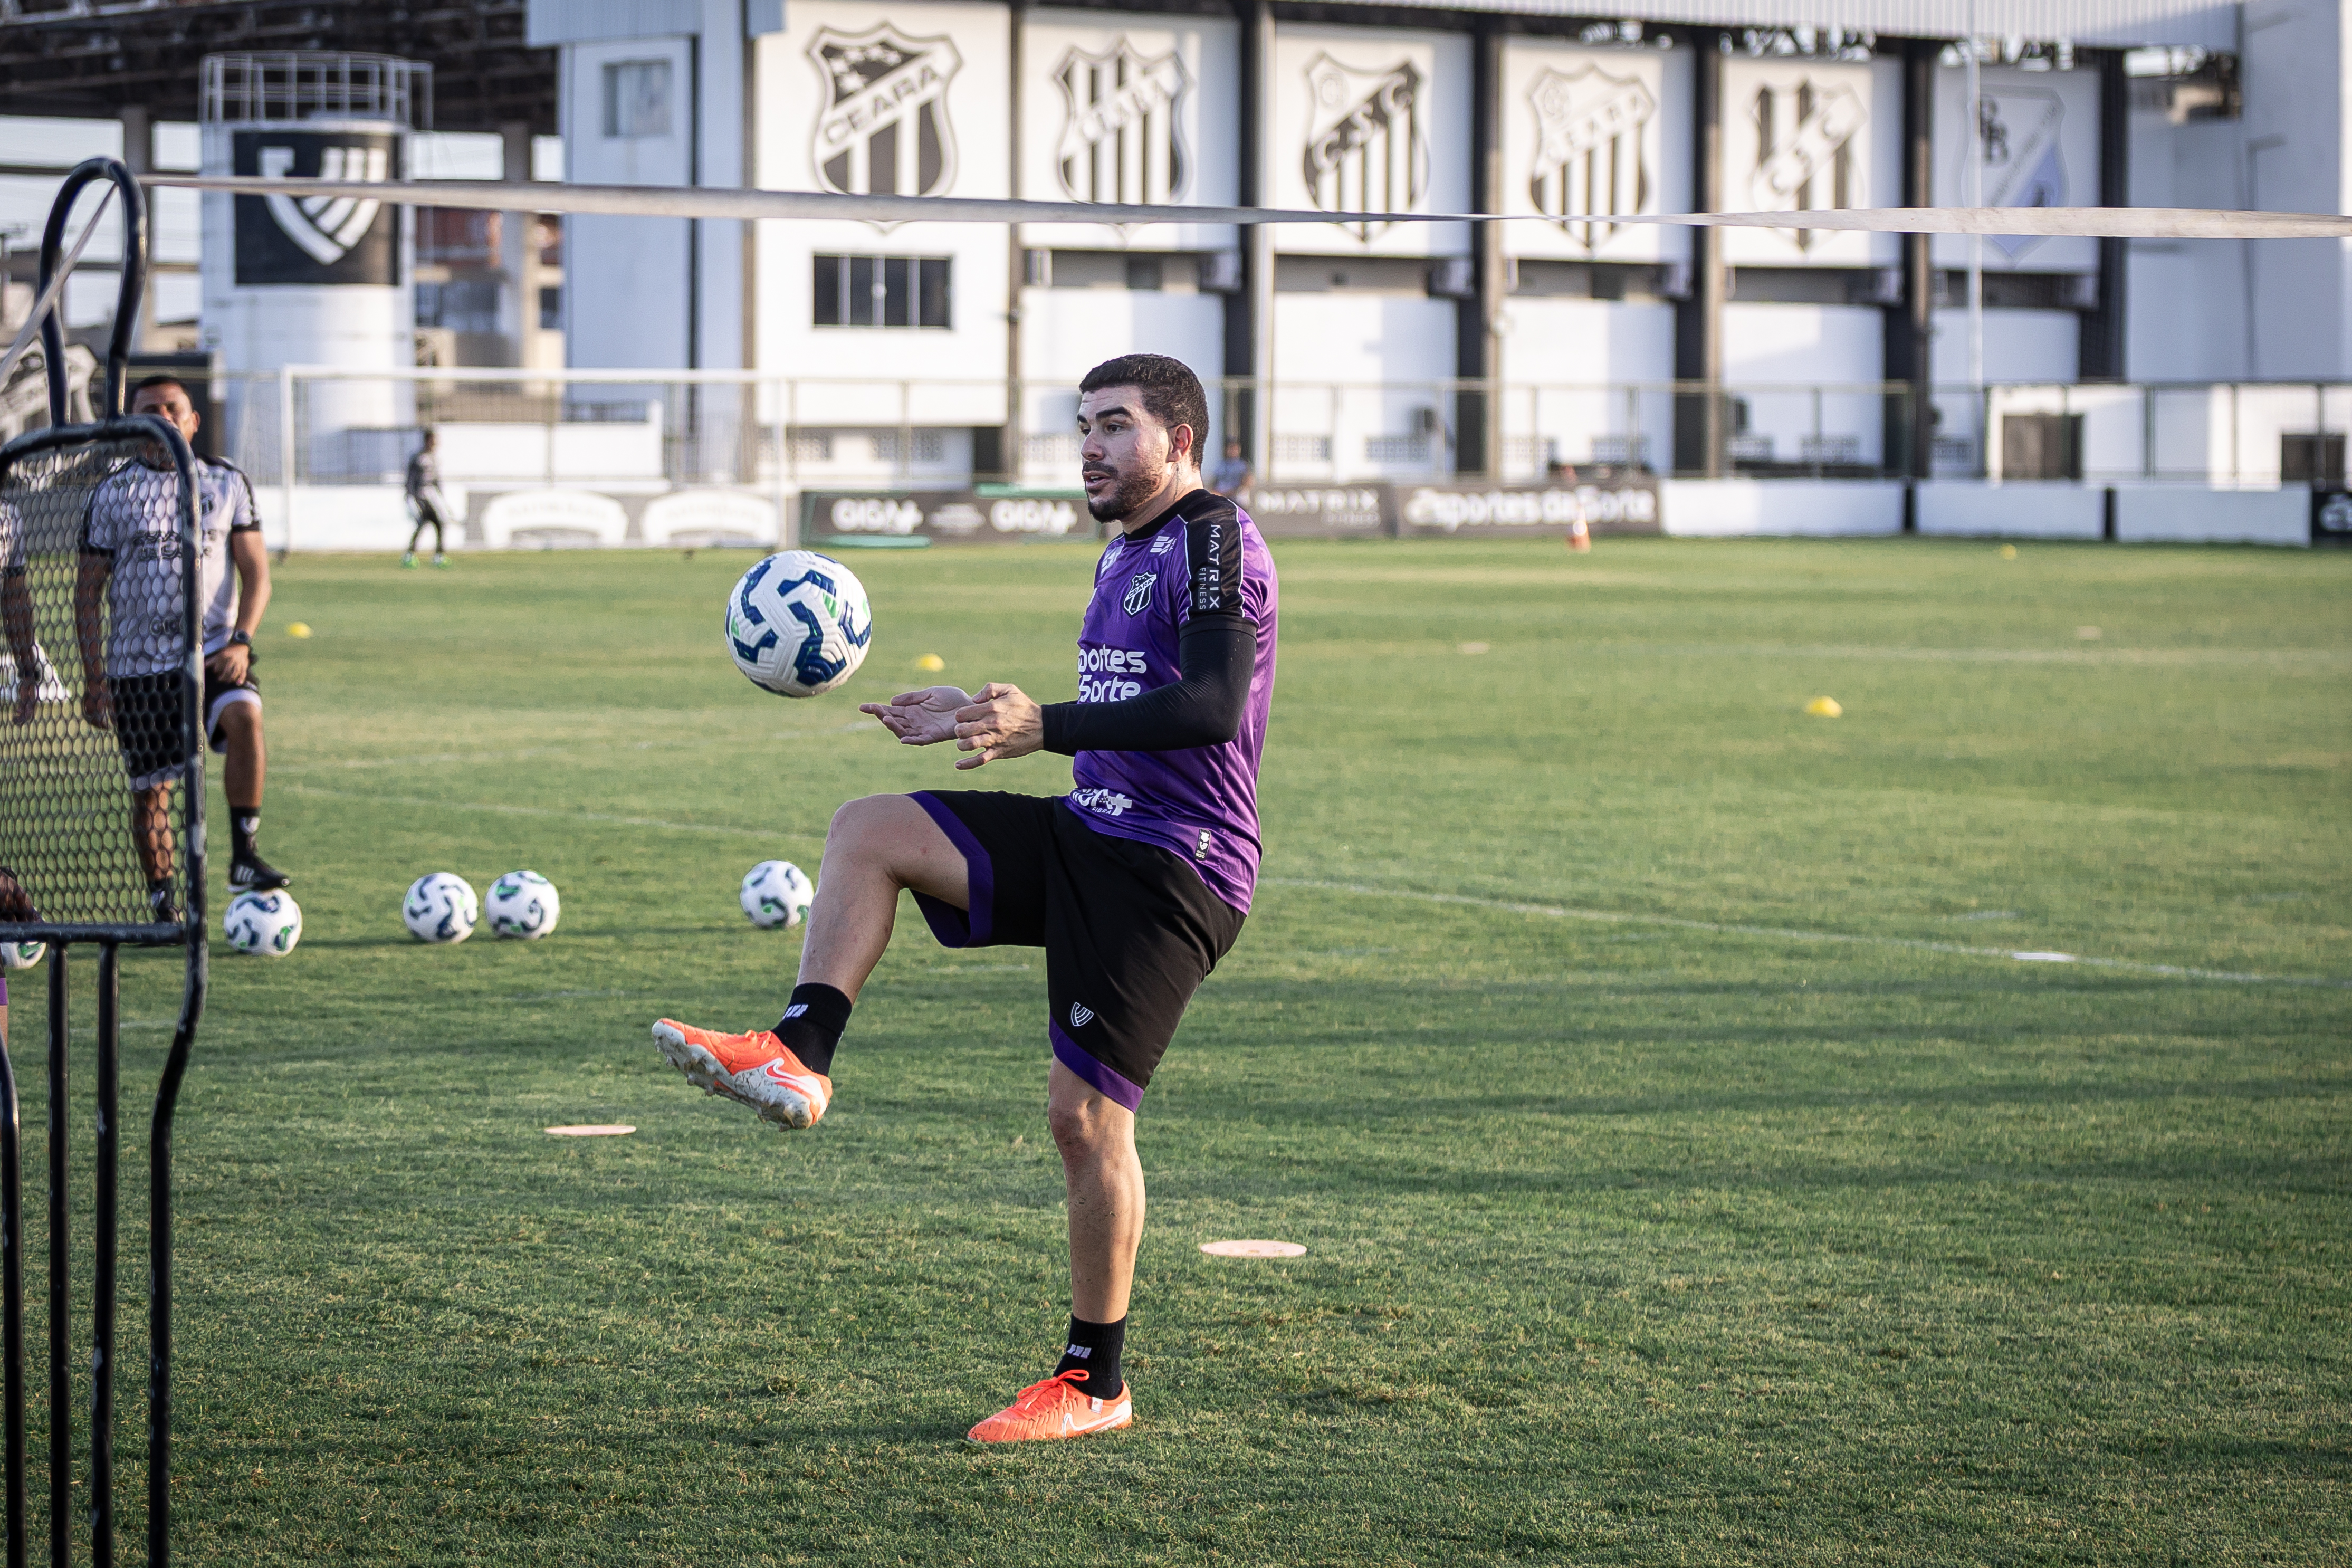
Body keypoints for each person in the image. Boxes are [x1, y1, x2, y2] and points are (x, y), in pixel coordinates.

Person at [649, 353, 1279, 1445]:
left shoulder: (1213, 536)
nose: (1090, 443)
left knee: (1084, 1122)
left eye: (1117, 425)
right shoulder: (1125, 550)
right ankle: (800, 1051)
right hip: (1093, 828)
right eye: (1083, 424)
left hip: (1179, 865)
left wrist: (1047, 726)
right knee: (869, 829)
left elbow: (1212, 705)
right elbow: (1119, 703)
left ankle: (1094, 1383)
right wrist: (969, 715)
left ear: (1180, 441)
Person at [76, 375, 288, 920]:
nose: (164, 417)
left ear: (192, 421)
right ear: (131, 424)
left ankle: (245, 854)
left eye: (174, 408)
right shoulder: (111, 493)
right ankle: (164, 900)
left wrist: (243, 639)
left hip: (215, 649)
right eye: (150, 410)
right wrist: (95, 678)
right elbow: (86, 593)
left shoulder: (226, 482)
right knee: (154, 792)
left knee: (246, 718)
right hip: (137, 665)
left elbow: (257, 572)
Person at [403, 428, 452, 569]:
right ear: (428, 441)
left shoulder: (434, 458)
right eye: (434, 440)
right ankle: (418, 555)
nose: (436, 443)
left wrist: (441, 496)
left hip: (429, 497)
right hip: (420, 497)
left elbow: (436, 480)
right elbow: (411, 479)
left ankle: (417, 555)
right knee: (430, 523)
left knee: (435, 524)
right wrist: (411, 496)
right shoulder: (419, 458)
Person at [1207, 436, 1252, 501]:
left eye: (1235, 449)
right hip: (1221, 497)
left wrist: (1230, 493)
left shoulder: (1243, 465)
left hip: (1236, 498)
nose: (1232, 451)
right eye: (1230, 448)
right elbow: (1214, 482)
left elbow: (1248, 482)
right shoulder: (1222, 465)